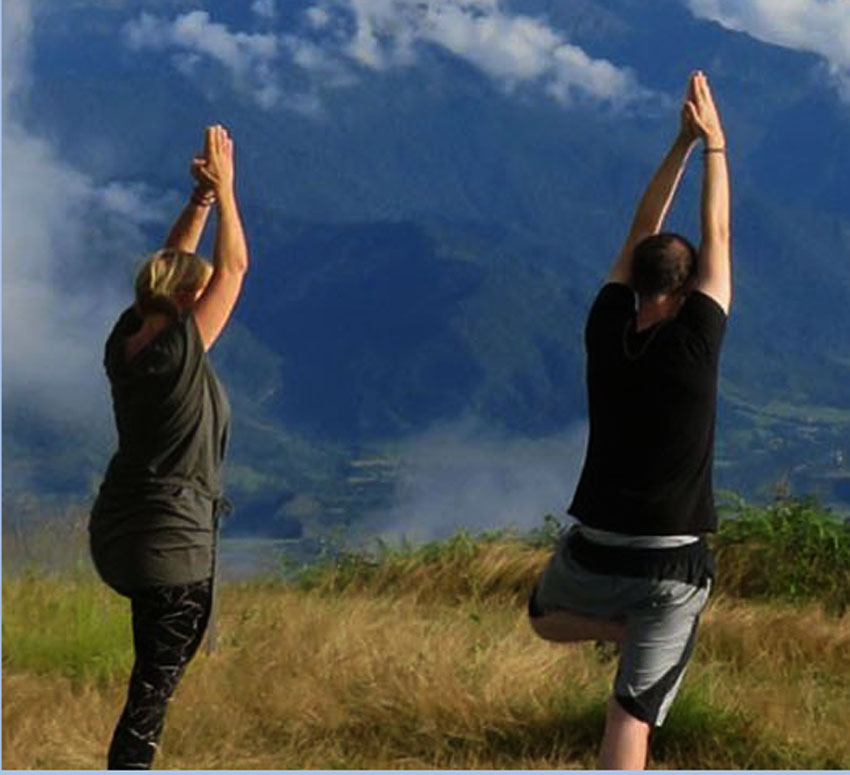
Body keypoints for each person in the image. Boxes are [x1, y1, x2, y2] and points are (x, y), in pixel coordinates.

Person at [528, 71, 731, 769]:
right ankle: (635, 635)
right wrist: (715, 148)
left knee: (542, 614)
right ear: (689, 287)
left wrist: (677, 145)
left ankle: (616, 627)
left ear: (639, 283)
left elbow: (640, 231)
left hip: (591, 548)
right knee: (632, 709)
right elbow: (719, 232)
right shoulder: (697, 340)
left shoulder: (605, 325)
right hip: (672, 562)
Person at [89, 124, 248, 770]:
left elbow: (167, 266)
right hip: (171, 546)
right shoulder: (182, 350)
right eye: (197, 291)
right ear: (188, 300)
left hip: (118, 534)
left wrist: (199, 203)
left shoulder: (125, 340)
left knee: (152, 675)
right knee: (152, 695)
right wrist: (231, 194)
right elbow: (234, 267)